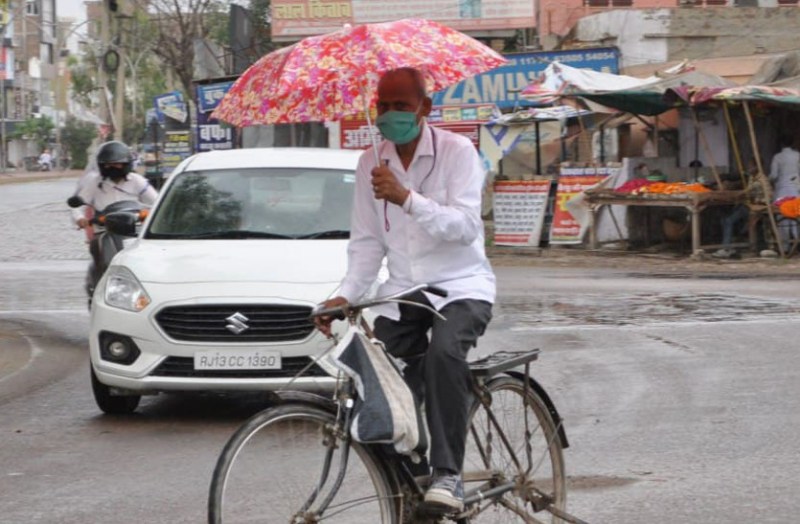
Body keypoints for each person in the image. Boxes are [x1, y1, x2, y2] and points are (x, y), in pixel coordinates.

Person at [315, 67, 495, 513]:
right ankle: (413, 468)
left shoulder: (458, 152)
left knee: (444, 355)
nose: (390, 115)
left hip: (461, 286)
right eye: (384, 106)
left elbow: (466, 227)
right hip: (403, 292)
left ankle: (448, 475)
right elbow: (367, 243)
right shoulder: (370, 162)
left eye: (400, 105)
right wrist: (344, 296)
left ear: (424, 109)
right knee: (378, 371)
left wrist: (406, 198)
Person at [71, 141, 158, 286]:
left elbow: (156, 202)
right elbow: (77, 204)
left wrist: (153, 215)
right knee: (97, 253)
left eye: (117, 164)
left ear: (126, 164)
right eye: (108, 164)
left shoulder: (137, 181)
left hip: (134, 232)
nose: (112, 168)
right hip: (104, 231)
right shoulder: (94, 182)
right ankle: (97, 286)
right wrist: (80, 218)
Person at [769, 134, 800, 251]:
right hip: (796, 189)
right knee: (797, 216)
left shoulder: (778, 157)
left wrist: (769, 179)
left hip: (782, 190)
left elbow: (774, 175)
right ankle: (798, 243)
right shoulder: (797, 156)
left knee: (783, 218)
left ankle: (785, 246)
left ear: (781, 143)